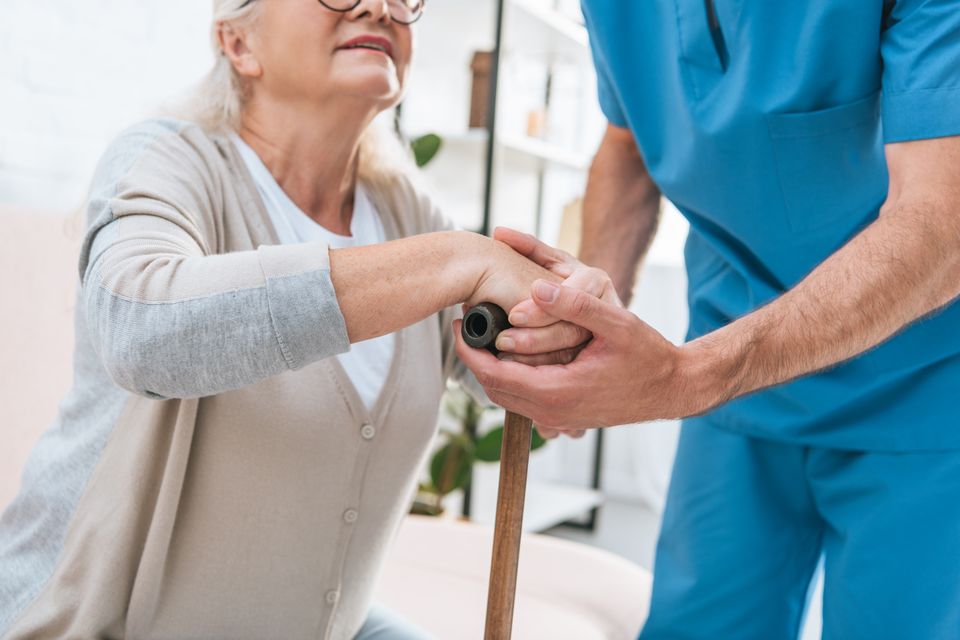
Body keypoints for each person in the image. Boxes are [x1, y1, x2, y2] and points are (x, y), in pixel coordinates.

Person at [0, 1, 601, 638]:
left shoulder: (407, 211)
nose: (377, 5)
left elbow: (520, 381)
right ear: (238, 44)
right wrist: (455, 258)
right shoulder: (165, 162)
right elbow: (141, 333)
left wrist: (563, 331)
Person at [456, 1, 960, 638]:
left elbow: (942, 224)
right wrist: (582, 318)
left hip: (923, 387)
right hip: (735, 381)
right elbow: (627, 144)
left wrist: (683, 378)